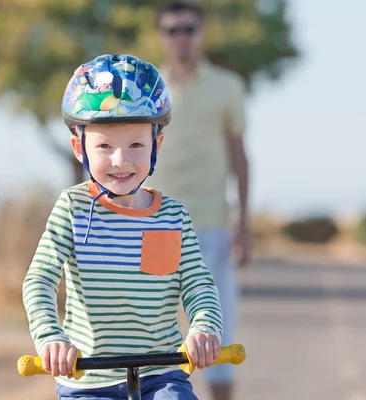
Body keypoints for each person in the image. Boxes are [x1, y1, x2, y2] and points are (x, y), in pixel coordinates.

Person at [22, 54, 223, 399]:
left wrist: (204, 328)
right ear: (78, 148)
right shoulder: (72, 209)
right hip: (87, 376)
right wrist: (51, 338)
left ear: (156, 146)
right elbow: (39, 280)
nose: (120, 159)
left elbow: (197, 284)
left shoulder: (173, 216)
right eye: (104, 146)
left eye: (135, 145)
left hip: (160, 372)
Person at [148, 3, 251, 399]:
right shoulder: (150, 86)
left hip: (211, 226)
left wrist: (244, 224)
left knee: (216, 335)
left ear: (202, 32)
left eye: (189, 29)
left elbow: (240, 155)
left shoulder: (227, 86)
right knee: (155, 333)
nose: (181, 38)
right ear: (162, 36)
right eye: (172, 30)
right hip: (156, 228)